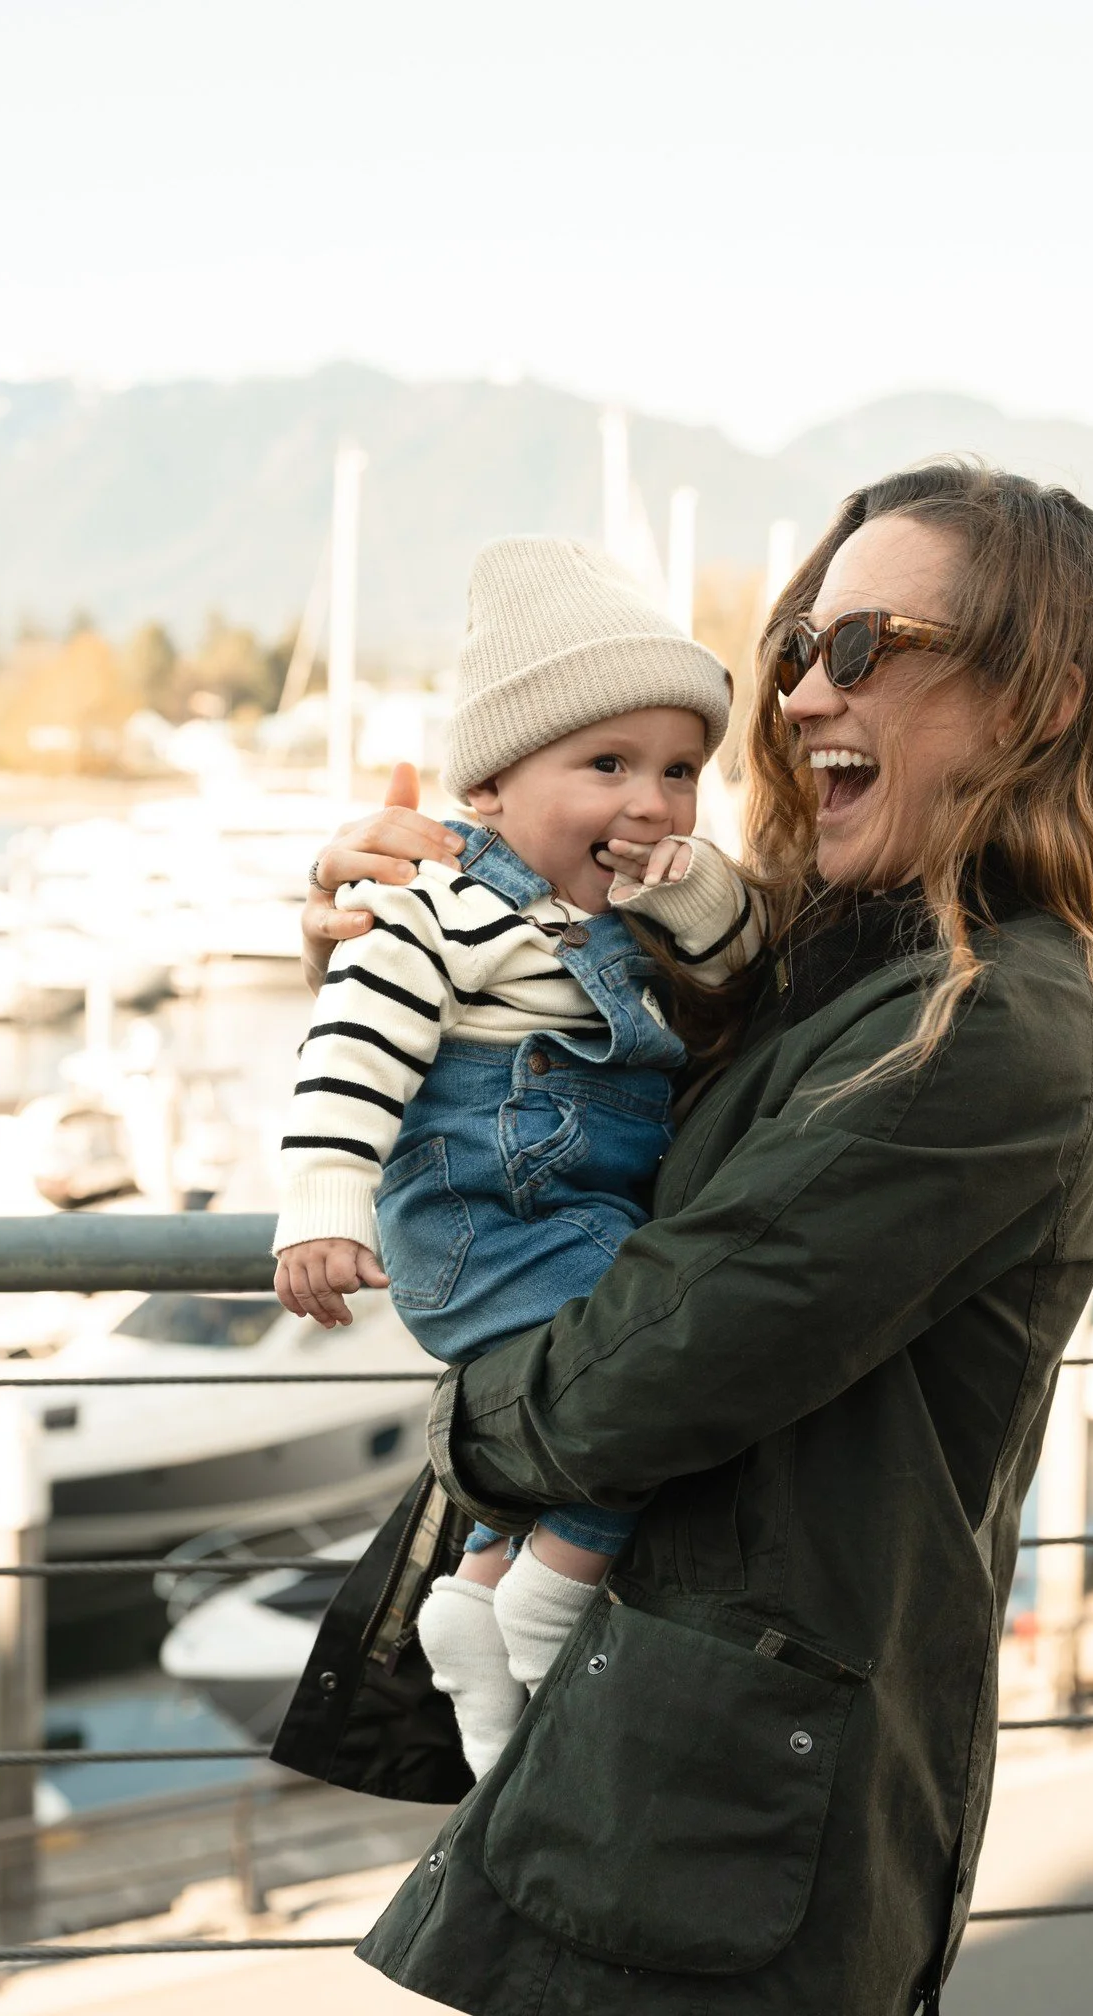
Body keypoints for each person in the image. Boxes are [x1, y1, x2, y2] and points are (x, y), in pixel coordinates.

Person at [271, 460, 1093, 2016]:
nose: (806, 692)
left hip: (737, 1826)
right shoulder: (827, 965)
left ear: (1038, 700)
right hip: (656, 1767)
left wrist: (469, 1424)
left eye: (868, 646)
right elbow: (552, 1073)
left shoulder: (989, 1024)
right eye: (799, 643)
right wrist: (439, 905)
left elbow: (635, 1379)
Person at [270, 536, 761, 1776]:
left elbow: (743, 956)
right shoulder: (437, 906)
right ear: (488, 788)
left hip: (569, 1217)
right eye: (606, 765)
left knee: (636, 1361)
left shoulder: (630, 917)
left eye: (680, 771)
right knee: (654, 1366)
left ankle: (482, 1594)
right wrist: (324, 1203)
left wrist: (695, 898)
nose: (650, 803)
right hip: (487, 1221)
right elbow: (352, 1046)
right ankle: (555, 1590)